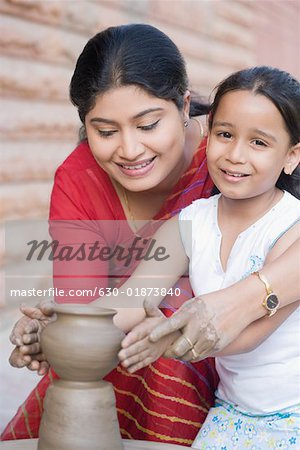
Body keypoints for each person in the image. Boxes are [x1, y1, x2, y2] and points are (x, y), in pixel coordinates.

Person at [2, 25, 300, 446]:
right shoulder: (183, 215)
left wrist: (193, 320)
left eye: (147, 125)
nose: (129, 149)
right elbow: (107, 305)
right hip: (224, 401)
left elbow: (241, 329)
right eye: (106, 132)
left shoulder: (263, 192)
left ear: (183, 106)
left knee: (168, 308)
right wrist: (53, 329)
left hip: (266, 393)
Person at [116, 66, 300, 448]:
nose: (235, 155)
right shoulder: (191, 222)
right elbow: (131, 300)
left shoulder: (291, 227)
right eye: (225, 134)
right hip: (233, 412)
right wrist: (60, 318)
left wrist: (163, 340)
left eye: (259, 143)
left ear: (292, 156)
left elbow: (247, 334)